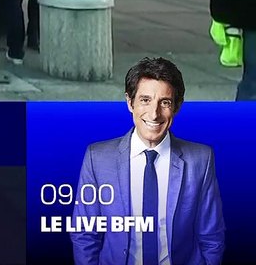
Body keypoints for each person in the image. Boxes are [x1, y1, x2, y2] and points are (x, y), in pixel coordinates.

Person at [71, 57, 225, 265]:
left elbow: (212, 235)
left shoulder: (200, 160)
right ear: (129, 102)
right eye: (145, 100)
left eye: (165, 102)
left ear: (177, 107)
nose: (154, 113)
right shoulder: (97, 158)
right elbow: (84, 233)